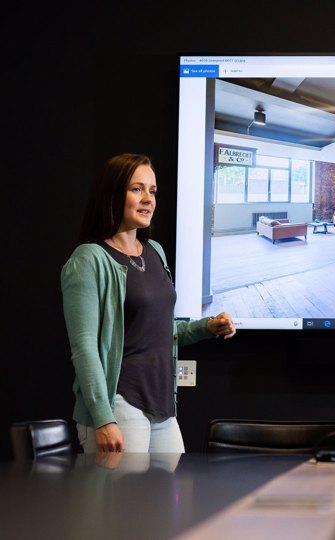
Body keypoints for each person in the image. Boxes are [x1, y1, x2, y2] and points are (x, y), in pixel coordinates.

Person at [62, 153, 237, 454]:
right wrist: (103, 419)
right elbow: (84, 347)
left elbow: (163, 332)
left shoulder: (154, 251)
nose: (148, 200)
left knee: (169, 500)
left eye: (152, 191)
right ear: (113, 193)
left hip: (162, 405)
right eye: (136, 189)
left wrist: (208, 327)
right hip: (119, 404)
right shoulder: (88, 259)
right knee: (128, 503)